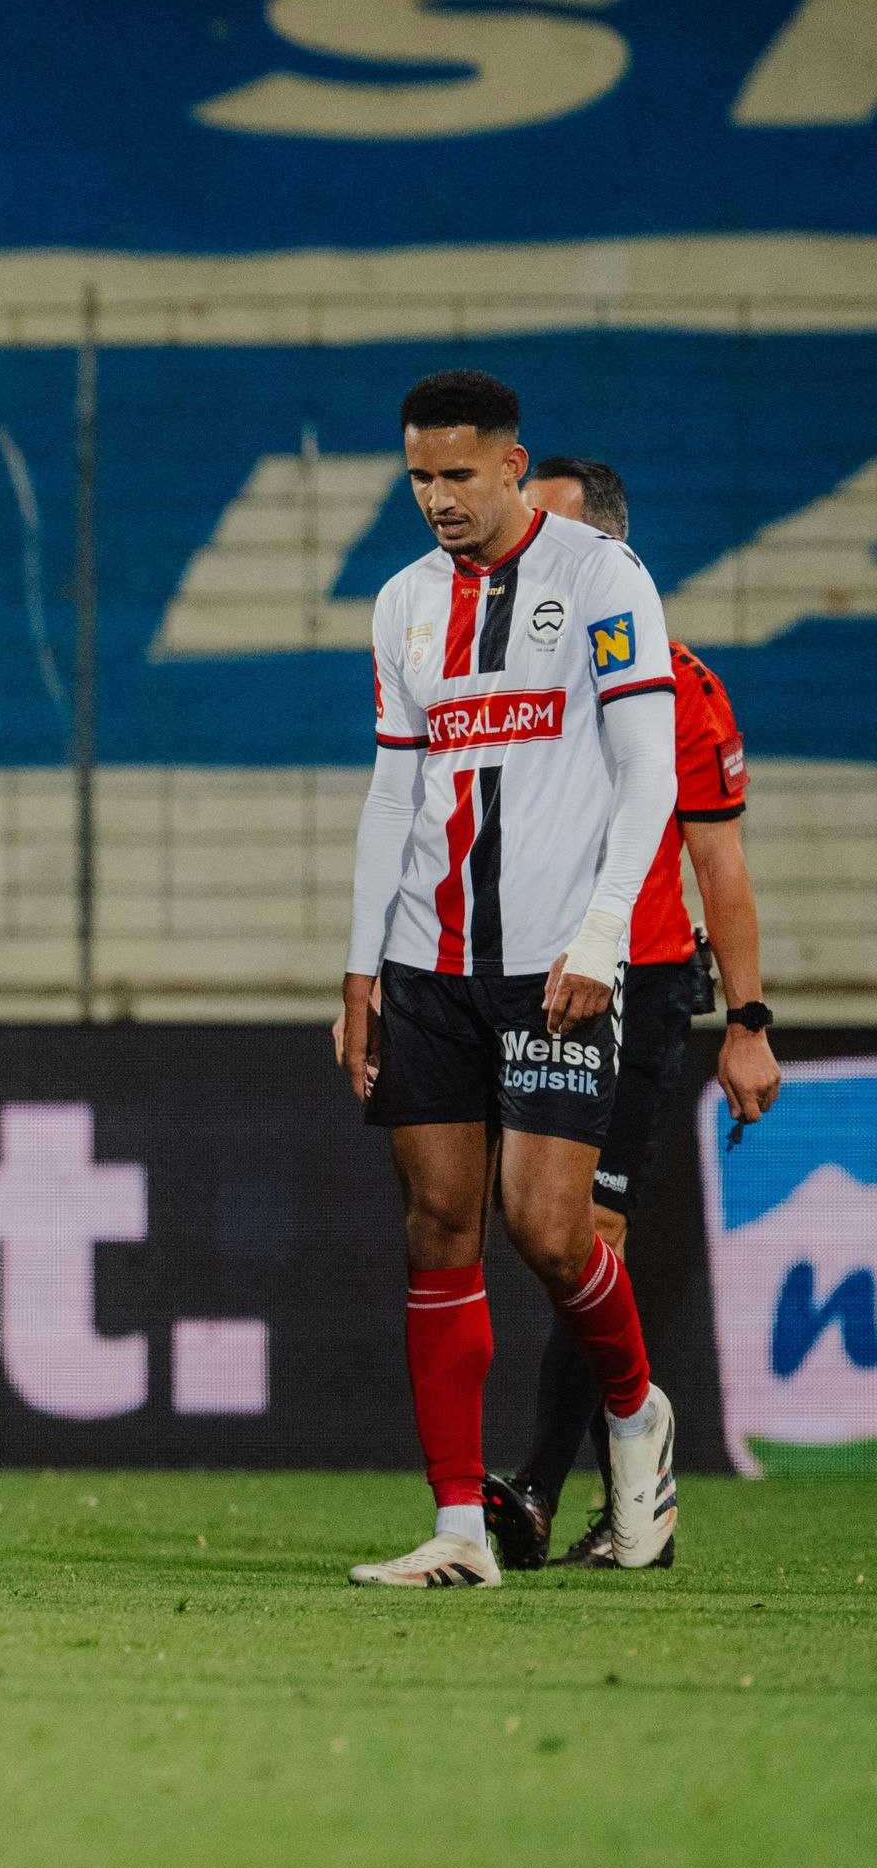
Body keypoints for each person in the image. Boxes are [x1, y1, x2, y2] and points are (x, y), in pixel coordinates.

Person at [336, 371, 680, 1588]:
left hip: (552, 965)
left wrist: (600, 938)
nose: (436, 498)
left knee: (546, 1227)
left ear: (509, 464)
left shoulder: (600, 577)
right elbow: (393, 790)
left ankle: (633, 1411)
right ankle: (459, 1530)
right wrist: (359, 964)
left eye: (457, 475)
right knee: (437, 1226)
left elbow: (648, 772)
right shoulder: (400, 603)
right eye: (418, 477)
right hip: (427, 963)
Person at [484, 455, 779, 1569]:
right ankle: (599, 1472)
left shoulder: (679, 685)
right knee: (533, 1232)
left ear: (611, 551)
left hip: (638, 985)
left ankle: (547, 1487)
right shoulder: (496, 674)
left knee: (586, 1238)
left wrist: (747, 1021)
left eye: (553, 534)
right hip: (515, 978)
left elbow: (720, 865)